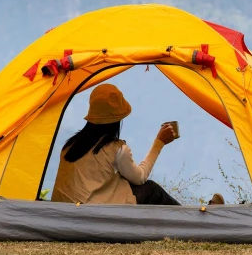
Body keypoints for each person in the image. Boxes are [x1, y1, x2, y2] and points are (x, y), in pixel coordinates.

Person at [52, 83, 184, 206]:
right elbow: (140, 178)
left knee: (123, 182)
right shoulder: (117, 150)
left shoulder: (69, 145)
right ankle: (190, 221)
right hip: (94, 214)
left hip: (66, 212)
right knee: (152, 189)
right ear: (117, 120)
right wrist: (159, 143)